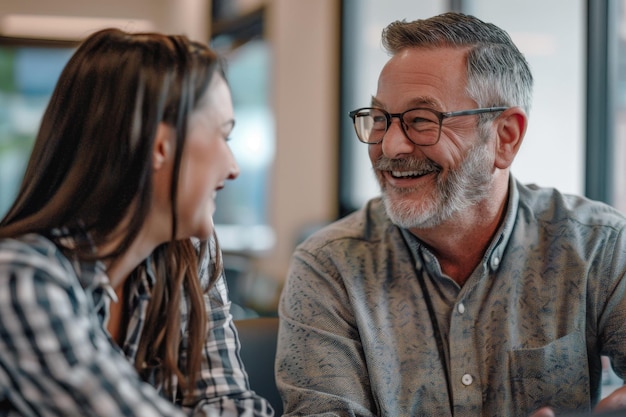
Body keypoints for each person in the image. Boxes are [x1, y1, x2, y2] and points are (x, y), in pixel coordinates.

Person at [275, 12, 626, 417]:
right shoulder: (330, 266)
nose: (389, 147)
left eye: (421, 121)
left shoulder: (598, 247)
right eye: (379, 119)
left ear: (505, 137)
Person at [0, 28, 273, 417]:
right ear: (160, 145)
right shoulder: (19, 279)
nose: (233, 168)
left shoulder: (190, 253)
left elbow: (234, 403)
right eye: (222, 135)